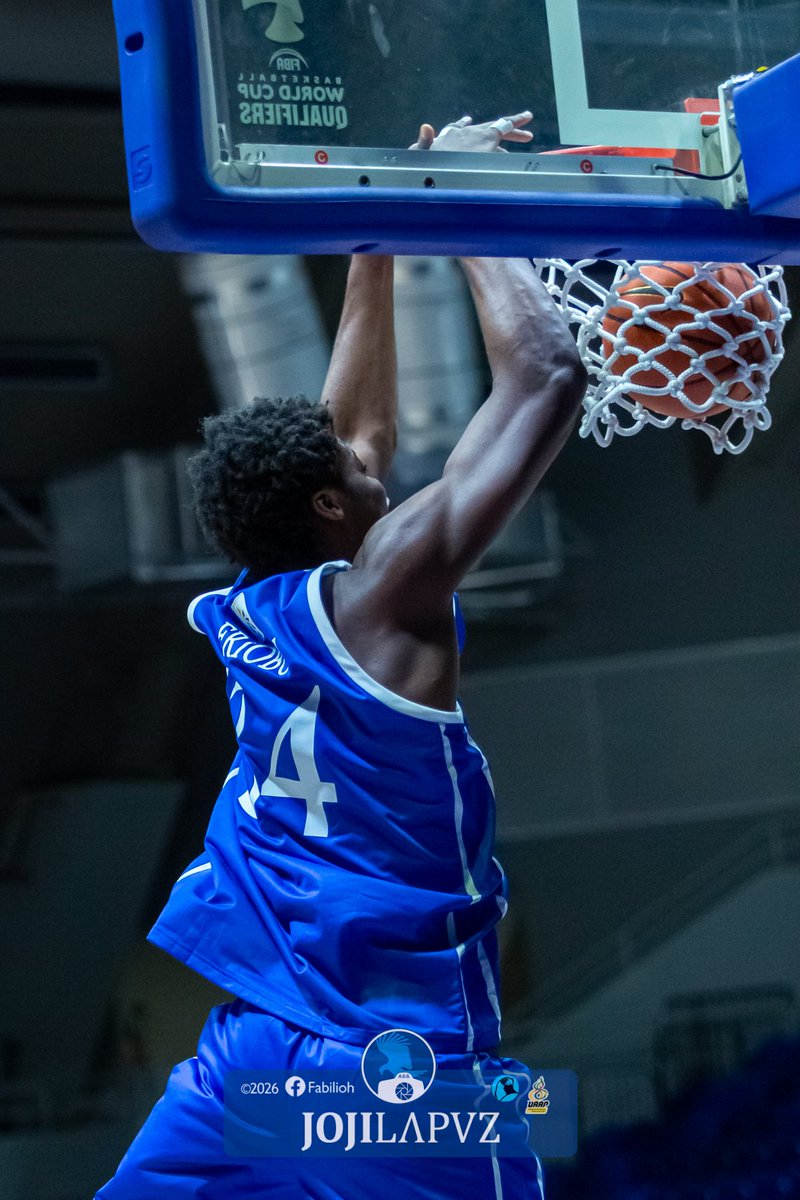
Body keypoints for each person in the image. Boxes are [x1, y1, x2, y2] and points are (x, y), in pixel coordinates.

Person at [95, 113, 587, 1200]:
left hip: (253, 1062)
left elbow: (346, 439)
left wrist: (376, 237)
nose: (382, 466)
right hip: (398, 1070)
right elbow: (546, 375)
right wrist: (460, 193)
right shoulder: (385, 597)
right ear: (330, 505)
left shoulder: (249, 607)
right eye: (359, 476)